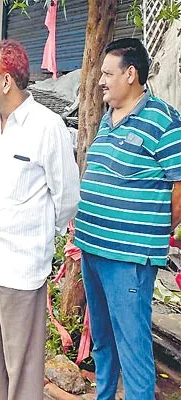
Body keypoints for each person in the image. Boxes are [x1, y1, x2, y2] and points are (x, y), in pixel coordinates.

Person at [74, 38, 181, 400]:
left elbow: (179, 187)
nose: (100, 80)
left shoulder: (163, 120)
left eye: (107, 73)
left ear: (130, 74)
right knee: (103, 341)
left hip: (128, 259)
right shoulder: (108, 117)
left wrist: (151, 233)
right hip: (93, 249)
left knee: (133, 346)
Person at [0, 39, 80, 400]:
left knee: (23, 369)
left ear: (6, 82)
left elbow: (67, 198)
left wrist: (37, 235)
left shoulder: (46, 127)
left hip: (21, 269)